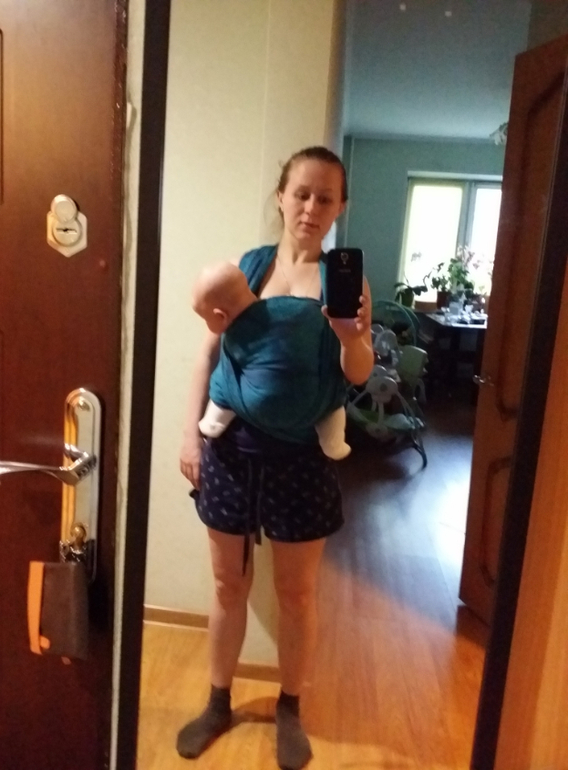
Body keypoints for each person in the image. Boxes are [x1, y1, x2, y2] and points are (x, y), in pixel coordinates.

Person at [178, 146, 373, 770]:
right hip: (231, 452)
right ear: (282, 196)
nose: (311, 207)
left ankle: (290, 708)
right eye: (302, 193)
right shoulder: (249, 268)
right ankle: (218, 701)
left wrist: (351, 338)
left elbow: (359, 374)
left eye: (326, 197)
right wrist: (190, 435)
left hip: (302, 461)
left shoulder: (346, 281)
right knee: (226, 584)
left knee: (296, 594)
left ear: (340, 207)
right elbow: (208, 354)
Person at [191, 260, 351, 460]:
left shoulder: (234, 334)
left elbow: (218, 366)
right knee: (334, 398)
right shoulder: (301, 310)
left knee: (224, 378)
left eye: (207, 320)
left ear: (221, 316)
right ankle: (333, 442)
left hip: (254, 425)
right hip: (310, 411)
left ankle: (213, 422)